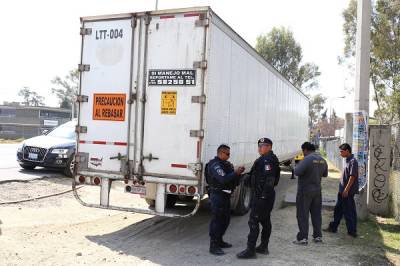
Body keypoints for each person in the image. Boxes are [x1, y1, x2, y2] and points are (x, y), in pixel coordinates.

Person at [237, 138, 280, 259]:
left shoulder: (267, 160)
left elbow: (270, 180)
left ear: (270, 147)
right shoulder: (267, 159)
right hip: (263, 195)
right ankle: (263, 247)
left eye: (264, 145)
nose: (260, 147)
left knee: (254, 221)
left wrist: (263, 197)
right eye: (259, 145)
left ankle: (250, 250)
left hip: (262, 196)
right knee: (265, 220)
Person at [206, 144, 245, 256]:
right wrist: (235, 173)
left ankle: (220, 240)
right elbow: (223, 179)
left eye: (229, 154)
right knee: (217, 220)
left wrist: (238, 174)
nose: (229, 156)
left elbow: (232, 179)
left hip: (226, 195)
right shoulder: (215, 165)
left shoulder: (226, 164)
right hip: (217, 195)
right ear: (220, 153)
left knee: (226, 219)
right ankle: (213, 246)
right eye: (227, 154)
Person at [293, 142, 328, 245]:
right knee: (316, 214)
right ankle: (318, 236)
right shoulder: (322, 160)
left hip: (305, 191)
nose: (303, 153)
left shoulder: (307, 159)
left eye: (303, 151)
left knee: (302, 214)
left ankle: (303, 238)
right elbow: (325, 174)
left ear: (305, 150)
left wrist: (296, 166)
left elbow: (297, 172)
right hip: (317, 191)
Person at [324, 143, 359, 238]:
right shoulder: (347, 160)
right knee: (338, 210)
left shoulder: (353, 161)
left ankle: (352, 231)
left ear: (347, 151)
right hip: (342, 191)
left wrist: (346, 190)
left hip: (347, 192)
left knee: (349, 212)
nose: (340, 153)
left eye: (342, 151)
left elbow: (352, 177)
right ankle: (333, 227)